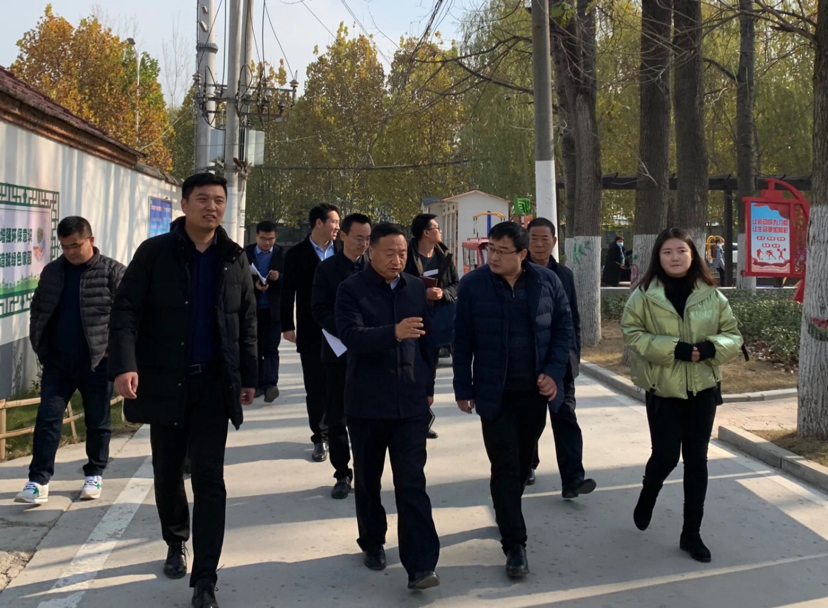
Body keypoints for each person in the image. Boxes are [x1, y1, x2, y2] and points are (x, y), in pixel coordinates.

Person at [109, 172, 257, 608]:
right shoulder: (155, 253)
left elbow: (247, 319)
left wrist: (249, 376)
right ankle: (176, 540)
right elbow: (126, 311)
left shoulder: (233, 257)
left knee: (210, 479)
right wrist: (125, 364)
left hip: (213, 384)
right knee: (168, 470)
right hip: (166, 381)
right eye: (203, 199)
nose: (212, 207)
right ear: (185, 203)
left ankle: (206, 578)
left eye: (219, 200)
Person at [453, 222, 573, 580]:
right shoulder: (473, 285)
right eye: (490, 249)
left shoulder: (547, 281)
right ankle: (515, 544)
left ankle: (506, 508)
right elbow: (462, 339)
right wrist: (463, 387)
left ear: (522, 254)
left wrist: (553, 372)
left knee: (521, 464)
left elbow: (563, 329)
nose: (493, 257)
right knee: (504, 464)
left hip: (534, 392)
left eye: (502, 251)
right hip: (495, 392)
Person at [621, 228, 742, 564]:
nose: (675, 257)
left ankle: (691, 534)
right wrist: (672, 349)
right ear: (658, 257)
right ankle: (649, 493)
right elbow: (632, 333)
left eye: (681, 251)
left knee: (697, 461)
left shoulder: (711, 294)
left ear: (693, 255)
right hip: (664, 390)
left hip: (703, 389)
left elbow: (733, 335)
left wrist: (711, 348)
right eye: (667, 252)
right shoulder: (644, 295)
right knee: (665, 457)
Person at [335, 222, 440, 591]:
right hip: (367, 403)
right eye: (389, 253)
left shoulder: (415, 288)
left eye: (402, 254)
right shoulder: (351, 290)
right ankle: (373, 540)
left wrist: (427, 387)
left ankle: (421, 565)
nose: (397, 260)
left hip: (410, 403)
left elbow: (427, 342)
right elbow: (350, 337)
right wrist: (393, 332)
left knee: (412, 482)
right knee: (368, 480)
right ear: (371, 252)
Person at [16, 217, 125, 505]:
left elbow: (129, 316)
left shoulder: (113, 272)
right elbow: (38, 308)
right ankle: (38, 481)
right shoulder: (53, 272)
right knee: (48, 420)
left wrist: (115, 350)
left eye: (76, 246)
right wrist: (40, 344)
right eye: (65, 247)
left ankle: (95, 473)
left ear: (91, 240)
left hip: (96, 362)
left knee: (97, 421)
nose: (71, 252)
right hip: (58, 362)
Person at [525, 218, 596, 497]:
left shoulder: (564, 274)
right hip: (529, 361)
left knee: (565, 417)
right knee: (531, 420)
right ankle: (527, 464)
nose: (539, 244)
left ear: (554, 241)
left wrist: (573, 357)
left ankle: (573, 479)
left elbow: (572, 319)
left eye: (545, 238)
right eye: (533, 238)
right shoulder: (518, 272)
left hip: (561, 361)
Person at [311, 213, 372, 499]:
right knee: (337, 416)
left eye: (368, 239)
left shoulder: (374, 267)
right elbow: (319, 309)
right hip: (337, 352)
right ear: (343, 236)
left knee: (368, 416)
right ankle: (342, 473)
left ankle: (366, 471)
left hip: (371, 352)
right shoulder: (327, 269)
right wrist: (347, 332)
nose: (363, 244)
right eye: (358, 238)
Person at [281, 203, 341, 462]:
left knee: (340, 384)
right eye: (334, 222)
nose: (338, 227)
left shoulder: (343, 250)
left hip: (342, 329)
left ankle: (339, 432)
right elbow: (287, 291)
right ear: (319, 223)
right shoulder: (296, 254)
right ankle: (320, 436)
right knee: (315, 386)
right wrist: (287, 325)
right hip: (310, 329)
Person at [404, 213, 460, 440]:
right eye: (436, 227)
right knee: (410, 371)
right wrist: (422, 293)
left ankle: (423, 420)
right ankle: (411, 418)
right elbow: (399, 284)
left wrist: (443, 293)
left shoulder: (444, 256)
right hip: (411, 323)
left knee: (429, 372)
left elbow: (456, 284)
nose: (440, 231)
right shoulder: (406, 256)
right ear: (426, 233)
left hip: (436, 324)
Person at [245, 220, 284, 402]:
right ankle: (257, 383)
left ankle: (270, 385)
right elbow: (238, 279)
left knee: (271, 348)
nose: (267, 243)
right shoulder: (246, 254)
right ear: (256, 236)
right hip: (252, 310)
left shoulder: (281, 255)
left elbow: (290, 280)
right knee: (254, 348)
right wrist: (254, 284)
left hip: (273, 310)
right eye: (263, 239)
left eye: (271, 239)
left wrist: (279, 277)